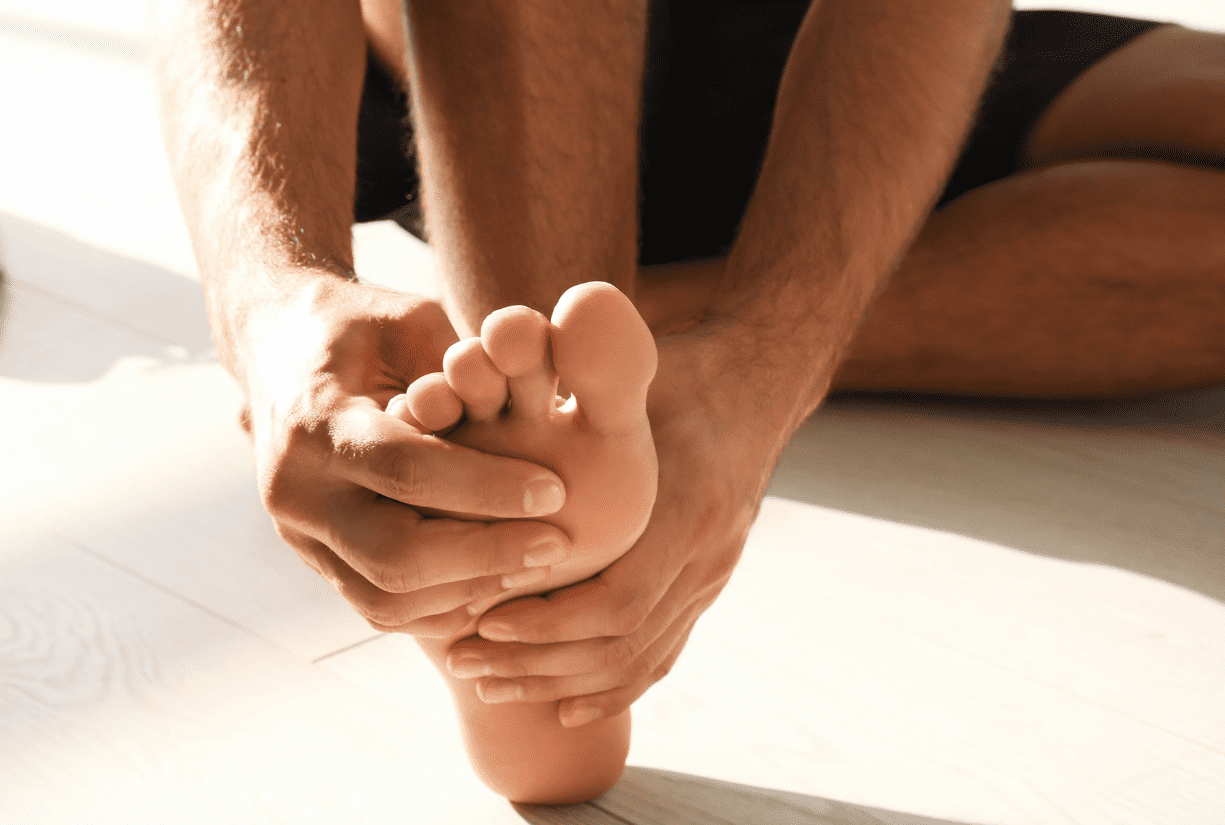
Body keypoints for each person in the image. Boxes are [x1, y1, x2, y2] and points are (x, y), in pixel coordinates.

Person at [151, 0, 1225, 804]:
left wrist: (770, 355)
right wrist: (267, 296)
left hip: (828, 67)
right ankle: (542, 467)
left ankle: (557, 397)